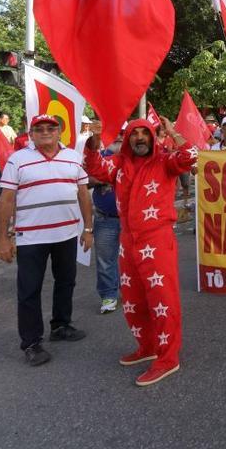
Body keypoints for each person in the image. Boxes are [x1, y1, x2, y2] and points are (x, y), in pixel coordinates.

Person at [83, 116, 197, 386]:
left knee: (162, 299)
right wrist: (95, 140)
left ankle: (168, 357)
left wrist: (174, 132)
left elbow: (190, 155)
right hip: (128, 240)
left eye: (144, 134)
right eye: (134, 135)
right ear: (128, 140)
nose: (140, 139)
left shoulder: (165, 161)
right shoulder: (119, 165)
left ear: (152, 137)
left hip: (157, 239)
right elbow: (95, 167)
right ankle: (147, 346)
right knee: (134, 300)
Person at [0, 114, 93, 366]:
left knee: (66, 282)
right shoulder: (18, 160)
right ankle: (31, 342)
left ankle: (61, 326)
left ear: (60, 131)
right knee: (29, 290)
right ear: (31, 133)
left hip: (67, 234)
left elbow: (83, 194)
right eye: (39, 128)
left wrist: (88, 228)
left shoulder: (73, 156)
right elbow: (6, 201)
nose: (46, 131)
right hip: (31, 237)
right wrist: (2, 239)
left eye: (51, 127)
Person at [91, 130, 122, 314]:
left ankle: (131, 291)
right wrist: (101, 177)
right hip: (105, 218)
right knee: (105, 260)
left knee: (133, 259)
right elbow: (84, 180)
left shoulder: (136, 159)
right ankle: (108, 295)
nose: (117, 136)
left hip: (131, 219)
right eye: (114, 132)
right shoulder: (98, 158)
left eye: (122, 133)